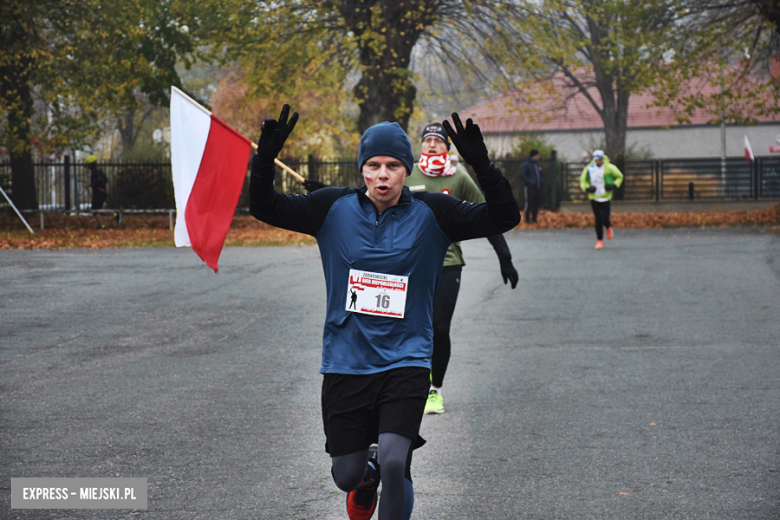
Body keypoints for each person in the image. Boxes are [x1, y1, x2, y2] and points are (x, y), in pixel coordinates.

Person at [250, 105, 520, 520]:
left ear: (405, 170)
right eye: (373, 165)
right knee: (346, 475)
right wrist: (264, 158)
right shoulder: (331, 209)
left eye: (393, 165)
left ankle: (388, 466)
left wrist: (480, 162)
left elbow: (505, 216)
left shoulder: (433, 212)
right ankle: (367, 471)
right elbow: (264, 207)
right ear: (362, 169)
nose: (382, 175)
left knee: (397, 462)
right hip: (346, 362)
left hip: (406, 359)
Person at [406, 122, 518, 415]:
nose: (431, 145)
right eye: (427, 140)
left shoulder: (458, 178)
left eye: (438, 141)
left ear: (447, 147)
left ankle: (435, 390)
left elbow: (490, 216)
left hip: (448, 263)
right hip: (411, 266)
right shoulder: (406, 175)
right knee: (414, 328)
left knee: (440, 328)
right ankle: (409, 385)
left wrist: (504, 258)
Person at [579, 150, 624, 249]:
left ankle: (608, 227)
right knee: (598, 219)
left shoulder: (609, 168)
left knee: (605, 218)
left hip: (605, 197)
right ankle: (600, 240)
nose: (598, 162)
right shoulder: (589, 168)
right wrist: (587, 188)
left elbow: (619, 176)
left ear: (602, 159)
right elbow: (583, 180)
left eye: (600, 160)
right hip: (594, 197)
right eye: (596, 160)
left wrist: (614, 185)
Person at [520, 149, 543, 224]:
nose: (538, 157)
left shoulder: (538, 164)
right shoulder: (526, 164)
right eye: (536, 155)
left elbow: (541, 173)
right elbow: (523, 175)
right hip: (530, 187)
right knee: (529, 203)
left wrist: (542, 181)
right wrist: (530, 181)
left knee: (536, 203)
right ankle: (527, 219)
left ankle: (534, 218)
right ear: (533, 156)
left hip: (538, 187)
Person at [87, 155, 108, 229]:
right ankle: (115, 214)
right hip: (100, 193)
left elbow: (99, 182)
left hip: (99, 193)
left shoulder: (97, 173)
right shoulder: (99, 172)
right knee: (98, 210)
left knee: (95, 210)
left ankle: (102, 226)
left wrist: (92, 185)